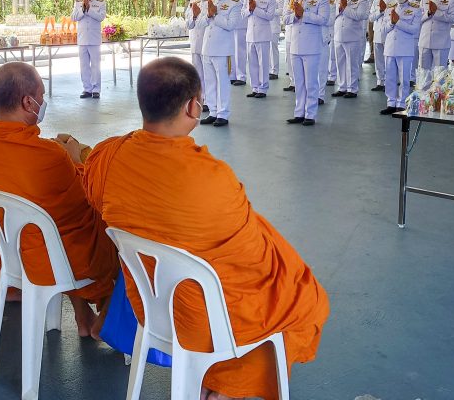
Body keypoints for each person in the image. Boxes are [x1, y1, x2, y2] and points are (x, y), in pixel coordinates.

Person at [83, 57, 330, 400]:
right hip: (201, 321)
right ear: (192, 107)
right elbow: (250, 258)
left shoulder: (108, 157)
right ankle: (226, 385)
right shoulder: (213, 178)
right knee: (304, 296)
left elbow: (92, 191)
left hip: (151, 305)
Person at [0, 61, 118, 338]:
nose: (43, 103)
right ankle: (109, 317)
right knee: (106, 227)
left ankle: (82, 314)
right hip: (51, 260)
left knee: (56, 224)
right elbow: (85, 203)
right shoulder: (51, 156)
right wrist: (76, 159)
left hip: (6, 253)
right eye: (41, 97)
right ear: (28, 102)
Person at [287, 0, 330, 126]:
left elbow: (323, 20)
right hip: (295, 46)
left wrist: (303, 14)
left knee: (311, 83)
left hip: (311, 47)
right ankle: (299, 112)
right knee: (299, 83)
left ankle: (310, 114)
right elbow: (285, 18)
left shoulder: (322, 0)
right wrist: (296, 15)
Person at [200, 0, 241, 127]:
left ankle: (223, 114)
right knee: (210, 82)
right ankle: (212, 112)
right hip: (207, 48)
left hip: (222, 50)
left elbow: (231, 25)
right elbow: (200, 23)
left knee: (222, 83)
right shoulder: (209, 1)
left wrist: (215, 14)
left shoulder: (234, 3)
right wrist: (208, 14)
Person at [380, 0, 423, 115]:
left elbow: (414, 29)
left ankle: (402, 103)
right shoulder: (389, 8)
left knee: (404, 79)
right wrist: (392, 22)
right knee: (390, 77)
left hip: (405, 48)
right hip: (390, 47)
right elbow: (383, 29)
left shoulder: (416, 10)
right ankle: (391, 103)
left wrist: (398, 22)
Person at [331, 0, 369, 98]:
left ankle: (352, 89)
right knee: (340, 63)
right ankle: (342, 87)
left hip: (352, 36)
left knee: (352, 64)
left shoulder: (362, 0)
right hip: (338, 35)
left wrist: (345, 7)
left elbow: (360, 16)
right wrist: (340, 7)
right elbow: (333, 15)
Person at [71, 0, 105, 99]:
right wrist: (83, 9)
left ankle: (96, 89)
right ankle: (87, 89)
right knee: (84, 66)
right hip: (82, 39)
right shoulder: (78, 3)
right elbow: (73, 17)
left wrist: (89, 9)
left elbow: (100, 17)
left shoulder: (100, 3)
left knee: (95, 66)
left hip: (94, 39)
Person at [245, 0, 277, 98]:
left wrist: (255, 9)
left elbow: (269, 16)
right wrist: (249, 9)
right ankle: (254, 87)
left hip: (263, 35)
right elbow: (243, 13)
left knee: (263, 63)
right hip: (250, 35)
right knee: (252, 63)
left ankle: (263, 89)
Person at [418, 0, 454, 69]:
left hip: (441, 41)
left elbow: (453, 18)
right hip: (425, 40)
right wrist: (429, 13)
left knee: (440, 72)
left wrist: (436, 12)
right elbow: (418, 18)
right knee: (423, 71)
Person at [186, 0, 212, 115]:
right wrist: (194, 16)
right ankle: (201, 98)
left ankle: (209, 100)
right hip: (195, 42)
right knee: (198, 73)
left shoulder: (213, 2)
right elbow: (189, 24)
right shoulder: (193, 2)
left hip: (208, 43)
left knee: (208, 73)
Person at [369, 0, 393, 91]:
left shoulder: (396, 0)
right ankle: (380, 82)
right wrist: (381, 11)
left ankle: (389, 82)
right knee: (378, 60)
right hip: (378, 33)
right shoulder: (377, 0)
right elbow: (371, 17)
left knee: (389, 60)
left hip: (390, 34)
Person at [230, 0, 251, 86]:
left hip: (241, 22)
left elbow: (246, 1)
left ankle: (241, 76)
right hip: (229, 22)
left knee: (240, 50)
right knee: (231, 50)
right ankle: (232, 75)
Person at [282, 0, 300, 92]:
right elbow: (285, 15)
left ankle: (299, 83)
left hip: (299, 33)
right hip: (289, 31)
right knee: (289, 58)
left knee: (298, 59)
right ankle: (292, 82)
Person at [324, 0, 340, 90]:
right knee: (324, 55)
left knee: (332, 55)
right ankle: (324, 75)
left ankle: (332, 77)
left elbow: (335, 15)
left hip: (333, 29)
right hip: (323, 29)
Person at [268, 0, 282, 80]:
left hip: (274, 27)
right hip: (265, 27)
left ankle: (274, 71)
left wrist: (269, 11)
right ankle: (268, 70)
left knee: (273, 49)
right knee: (266, 50)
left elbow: (281, 11)